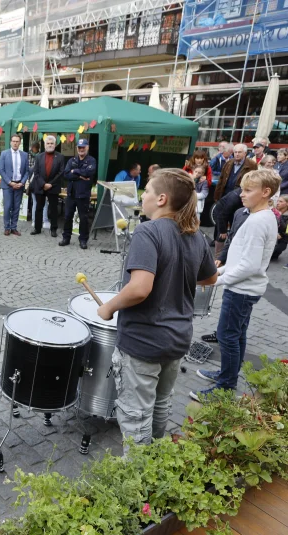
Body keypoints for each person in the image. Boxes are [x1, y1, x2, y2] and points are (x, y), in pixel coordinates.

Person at [96, 169, 217, 448]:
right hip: (177, 338)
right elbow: (211, 278)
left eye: (147, 191)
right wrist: (178, 274)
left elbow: (140, 288)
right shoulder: (195, 235)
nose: (143, 196)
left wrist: (109, 308)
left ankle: (138, 470)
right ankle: (157, 457)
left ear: (161, 199)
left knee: (136, 414)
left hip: (144, 341)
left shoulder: (147, 231)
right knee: (161, 403)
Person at [193, 169, 280, 400]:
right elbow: (241, 260)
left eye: (248, 190)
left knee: (227, 336)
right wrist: (217, 271)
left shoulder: (258, 221)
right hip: (245, 288)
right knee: (237, 334)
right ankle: (227, 374)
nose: (241, 194)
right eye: (242, 189)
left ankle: (226, 385)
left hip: (241, 291)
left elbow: (249, 266)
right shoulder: (261, 216)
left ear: (266, 192)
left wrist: (216, 280)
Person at [60, 138, 97, 249]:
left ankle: (83, 240)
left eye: (83, 147)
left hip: (83, 195)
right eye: (79, 147)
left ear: (87, 148)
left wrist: (75, 171)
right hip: (71, 194)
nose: (81, 149)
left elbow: (89, 172)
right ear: (77, 148)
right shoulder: (72, 160)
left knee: (84, 218)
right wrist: (81, 176)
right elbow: (66, 174)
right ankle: (66, 238)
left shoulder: (91, 160)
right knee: (67, 217)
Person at [30, 135, 65, 237]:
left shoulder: (60, 157)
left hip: (53, 186)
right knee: (39, 208)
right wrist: (43, 184)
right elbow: (36, 172)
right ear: (44, 145)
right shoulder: (39, 157)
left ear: (55, 145)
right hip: (40, 186)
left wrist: (50, 184)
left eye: (51, 143)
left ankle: (53, 229)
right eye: (48, 143)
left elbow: (61, 172)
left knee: (53, 208)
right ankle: (37, 228)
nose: (50, 145)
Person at [0, 135, 29, 236]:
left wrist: (22, 182)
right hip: (8, 185)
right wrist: (10, 182)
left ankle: (14, 227)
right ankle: (7, 227)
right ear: (10, 142)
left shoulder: (24, 155)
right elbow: (1, 170)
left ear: (20, 143)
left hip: (19, 184)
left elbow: (27, 171)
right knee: (7, 207)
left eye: (17, 141)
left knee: (16, 207)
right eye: (14, 141)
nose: (15, 143)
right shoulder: (4, 154)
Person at [272, 195, 288, 261]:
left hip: (283, 236)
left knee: (277, 250)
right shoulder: (272, 211)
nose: (278, 203)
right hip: (272, 233)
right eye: (277, 201)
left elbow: (285, 228)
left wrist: (280, 216)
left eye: (281, 201)